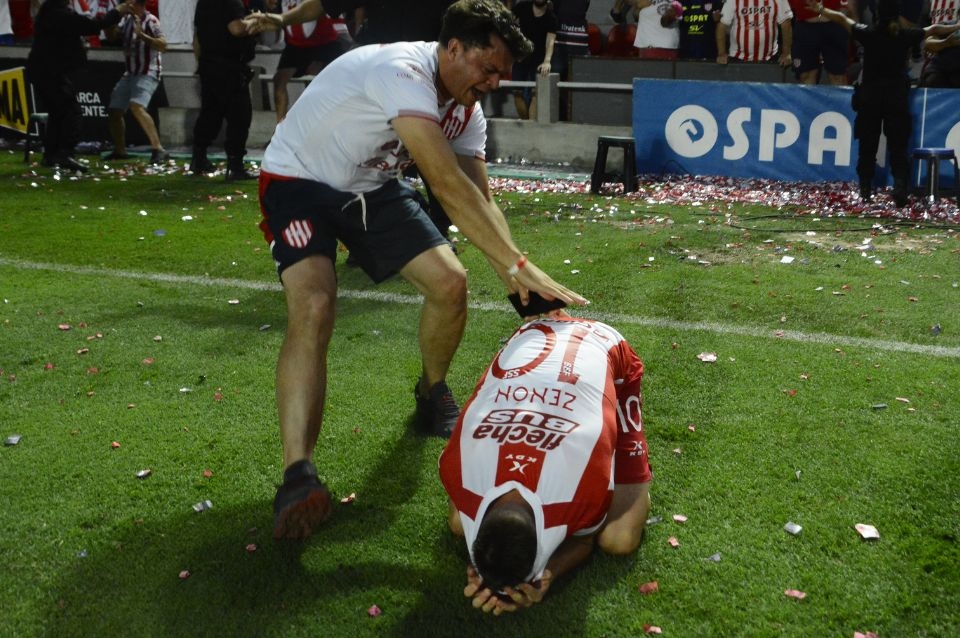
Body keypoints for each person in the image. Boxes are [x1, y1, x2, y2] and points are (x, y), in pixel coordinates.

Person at [249, 0, 588, 541]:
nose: (495, 83)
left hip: (370, 186)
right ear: (452, 48)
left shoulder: (467, 111)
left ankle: (432, 391)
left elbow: (480, 196)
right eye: (488, 68)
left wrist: (514, 273)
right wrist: (517, 263)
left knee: (451, 284)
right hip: (298, 182)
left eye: (502, 73)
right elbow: (446, 185)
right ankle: (298, 475)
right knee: (314, 304)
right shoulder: (403, 70)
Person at [439, 313, 652, 615]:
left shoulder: (581, 484)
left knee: (619, 539)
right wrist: (489, 565)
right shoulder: (457, 468)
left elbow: (585, 541)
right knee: (459, 524)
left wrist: (549, 572)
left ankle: (614, 400)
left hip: (602, 345)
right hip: (533, 342)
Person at [813, 0, 960, 204]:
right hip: (896, 98)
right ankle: (900, 188)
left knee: (867, 146)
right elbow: (934, 29)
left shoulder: (868, 33)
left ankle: (866, 188)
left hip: (870, 98)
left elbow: (842, 19)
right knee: (898, 147)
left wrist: (821, 9)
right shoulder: (905, 35)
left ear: (877, 15)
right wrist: (956, 26)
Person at [27, 0, 133, 172]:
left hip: (45, 71)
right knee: (71, 111)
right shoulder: (59, 14)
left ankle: (51, 154)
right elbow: (91, 25)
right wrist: (116, 12)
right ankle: (65, 153)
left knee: (58, 113)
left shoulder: (50, 12)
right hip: (49, 72)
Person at [191, 0, 258, 180]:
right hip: (230, 67)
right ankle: (235, 166)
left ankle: (199, 158)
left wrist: (202, 65)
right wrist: (256, 21)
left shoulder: (203, 3)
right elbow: (236, 28)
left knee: (210, 114)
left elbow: (197, 39)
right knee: (240, 116)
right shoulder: (231, 2)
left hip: (208, 65)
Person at [105, 0, 169, 163]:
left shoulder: (151, 20)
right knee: (114, 110)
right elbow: (112, 37)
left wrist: (142, 36)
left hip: (148, 71)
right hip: (131, 72)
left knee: (137, 107)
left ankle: (158, 149)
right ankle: (120, 150)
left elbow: (163, 45)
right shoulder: (126, 20)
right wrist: (108, 22)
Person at [272, 4, 352, 122]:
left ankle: (337, 120)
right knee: (279, 81)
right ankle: (280, 127)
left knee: (333, 81)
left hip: (324, 42)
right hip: (296, 45)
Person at [510, 0, 558, 119]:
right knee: (517, 93)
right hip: (521, 58)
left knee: (535, 95)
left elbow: (550, 41)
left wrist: (547, 61)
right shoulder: (522, 7)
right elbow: (507, 19)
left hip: (538, 61)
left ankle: (530, 126)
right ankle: (526, 123)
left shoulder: (551, 18)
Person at [788, 0, 851, 85]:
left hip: (834, 24)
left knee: (838, 76)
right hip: (805, 26)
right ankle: (808, 94)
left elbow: (849, 6)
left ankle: (840, 94)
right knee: (805, 75)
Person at [716, 0, 793, 66]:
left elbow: (786, 23)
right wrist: (721, 53)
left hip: (770, 58)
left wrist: (786, 53)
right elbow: (722, 25)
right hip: (738, 58)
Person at [550, 0, 591, 119]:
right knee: (554, 84)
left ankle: (576, 117)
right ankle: (560, 117)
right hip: (560, 41)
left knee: (579, 87)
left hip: (578, 41)